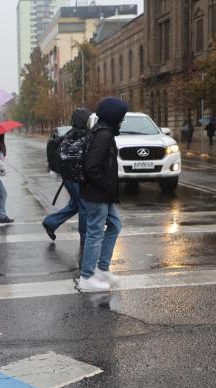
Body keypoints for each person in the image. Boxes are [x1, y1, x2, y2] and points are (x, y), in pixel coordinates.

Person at [78, 97, 128, 292]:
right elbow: (91, 167)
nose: (122, 121)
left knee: (115, 225)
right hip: (97, 193)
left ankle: (102, 268)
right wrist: (107, 185)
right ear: (114, 116)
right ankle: (87, 277)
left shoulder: (103, 132)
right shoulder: (103, 135)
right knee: (95, 233)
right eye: (121, 117)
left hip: (102, 193)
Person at [42, 108, 90, 245]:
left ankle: (50, 223)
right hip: (75, 179)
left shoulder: (71, 134)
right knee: (84, 207)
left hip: (69, 178)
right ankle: (85, 238)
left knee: (75, 205)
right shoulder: (80, 135)